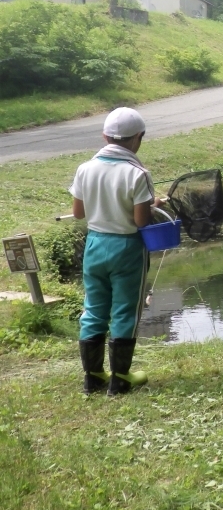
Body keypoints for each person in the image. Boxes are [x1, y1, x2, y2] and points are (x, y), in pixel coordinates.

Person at [71, 107, 155, 395]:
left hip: (95, 244)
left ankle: (92, 377)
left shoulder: (85, 168)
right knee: (125, 311)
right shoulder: (138, 173)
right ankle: (120, 378)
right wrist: (154, 206)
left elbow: (79, 212)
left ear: (105, 136)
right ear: (138, 138)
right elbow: (141, 220)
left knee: (94, 309)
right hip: (127, 247)